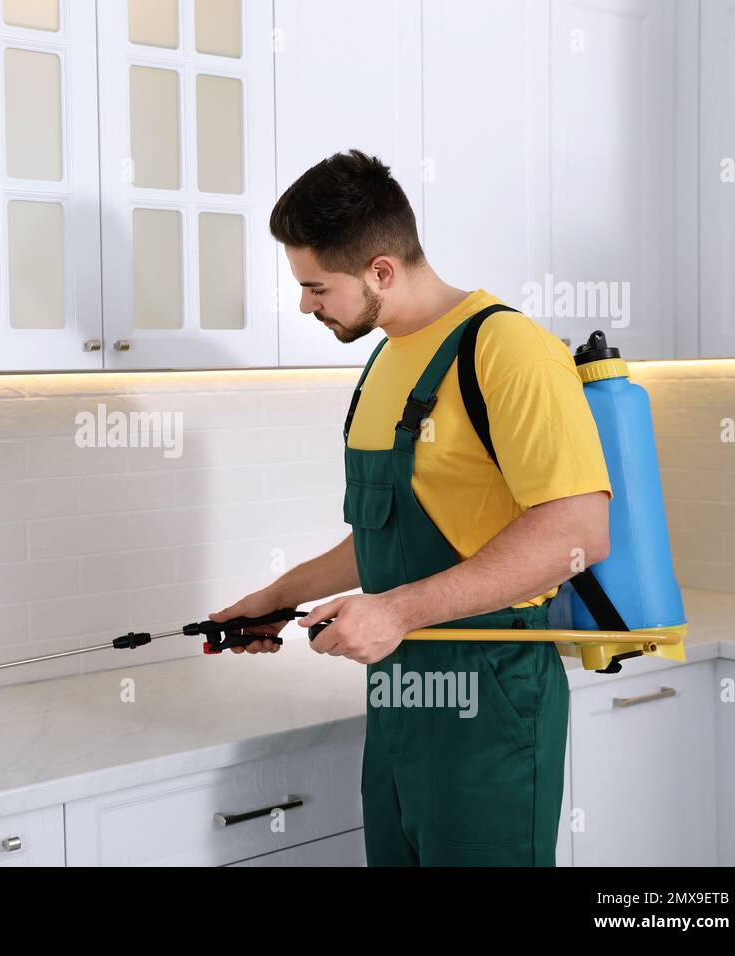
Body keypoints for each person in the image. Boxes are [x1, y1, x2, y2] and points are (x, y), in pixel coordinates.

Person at [211, 149, 612, 866]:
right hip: (400, 695)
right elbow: (386, 534)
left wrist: (393, 611)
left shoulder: (508, 352)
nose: (305, 304)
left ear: (381, 272)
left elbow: (578, 533)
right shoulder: (385, 360)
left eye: (315, 286)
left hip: (493, 690)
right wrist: (274, 597)